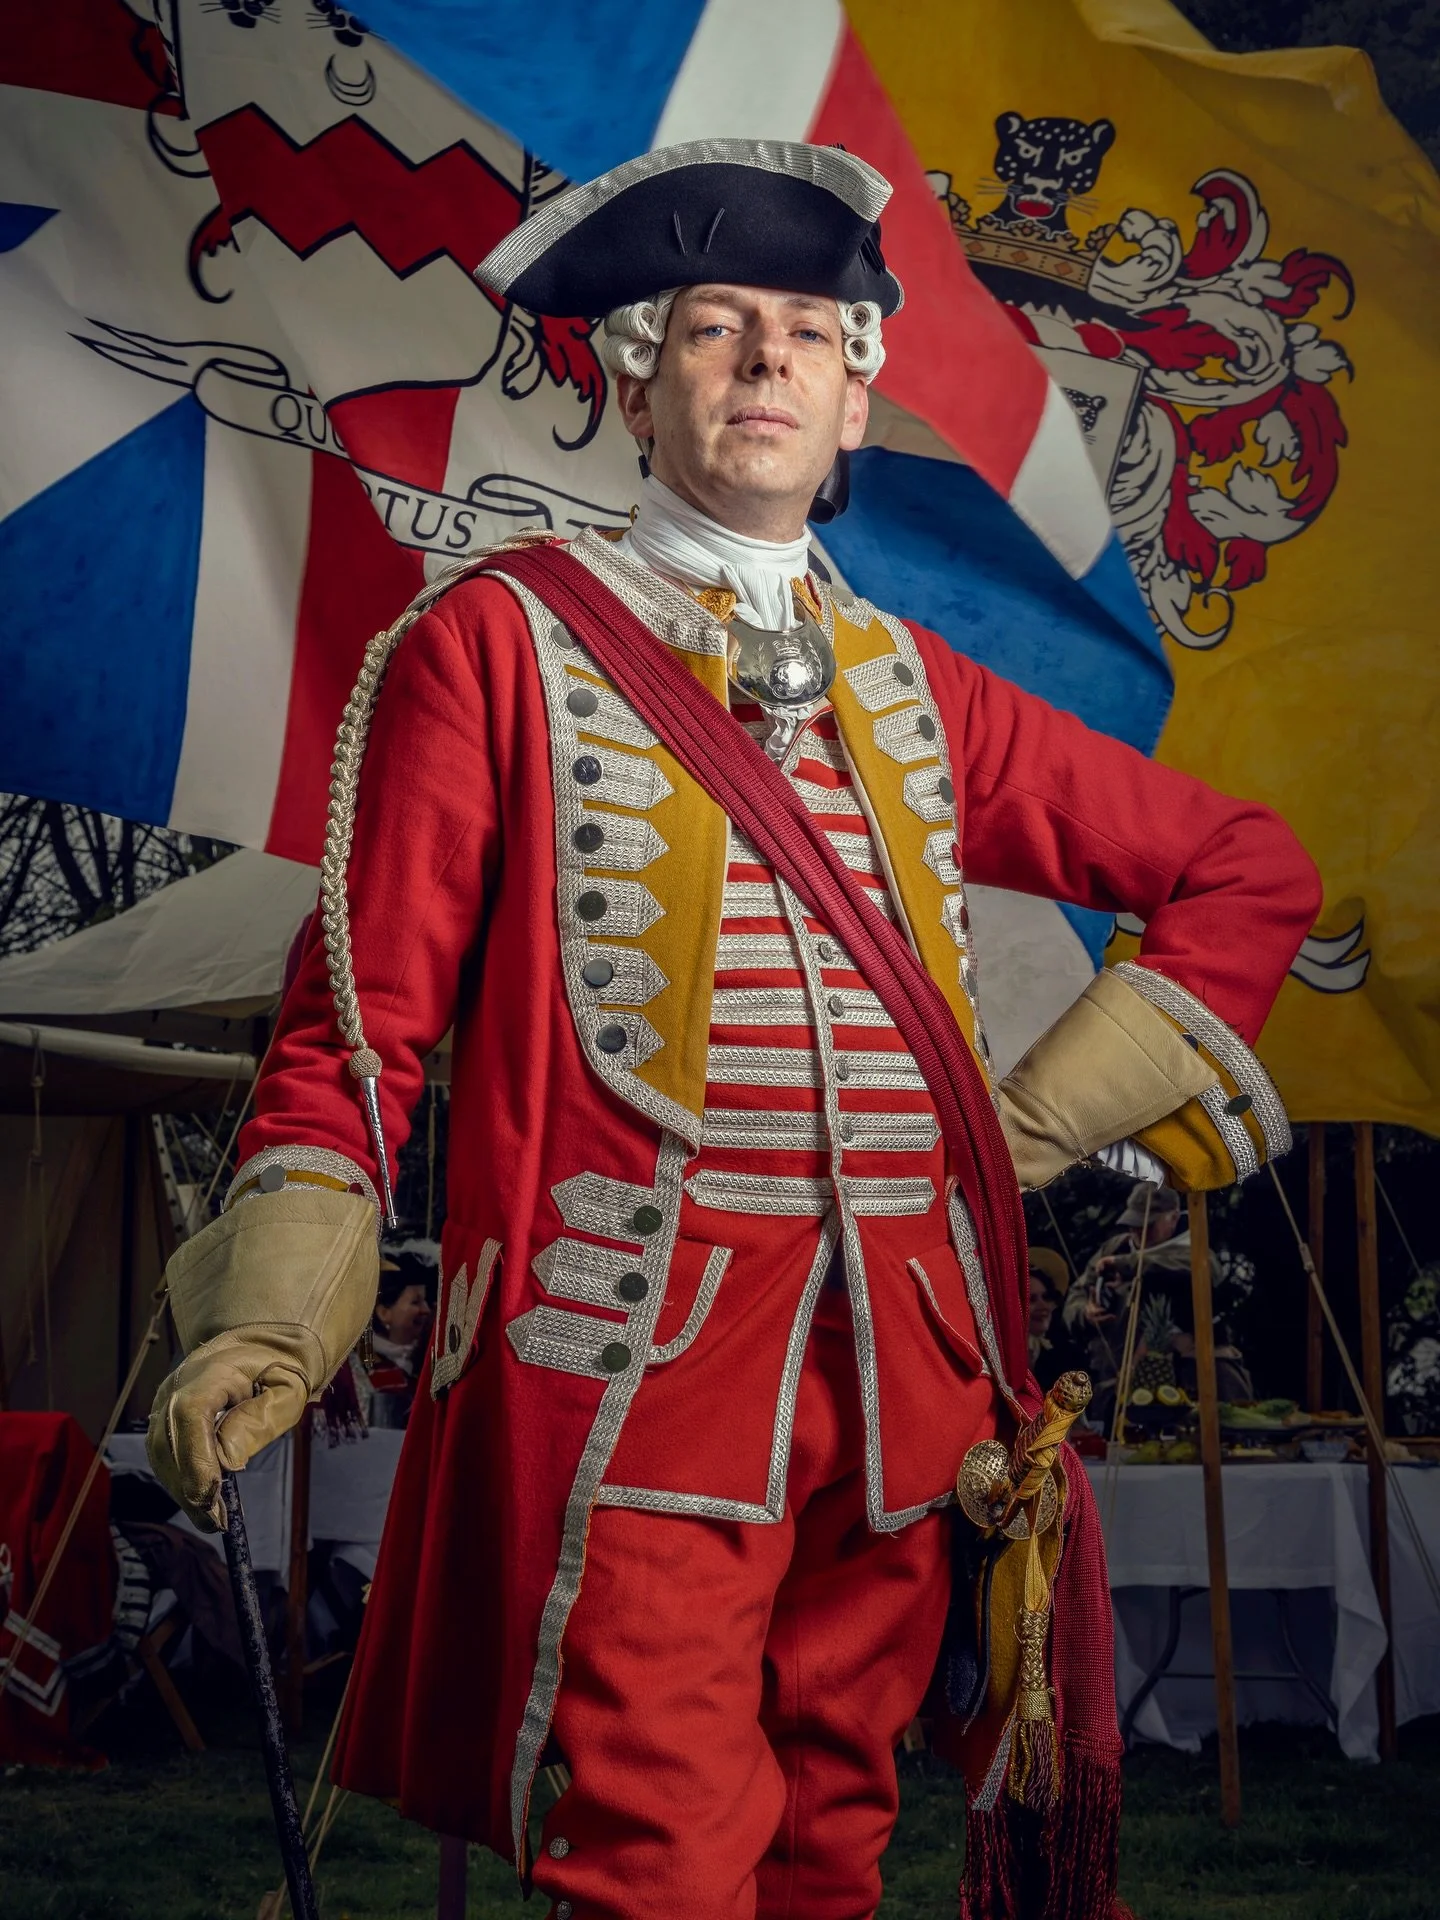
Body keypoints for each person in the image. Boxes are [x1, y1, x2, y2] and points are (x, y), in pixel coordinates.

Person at [146, 140, 1320, 1920]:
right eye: (714, 326)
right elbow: (360, 1024)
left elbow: (1242, 868)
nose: (765, 360)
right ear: (637, 377)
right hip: (639, 1375)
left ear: (859, 400)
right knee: (662, 1865)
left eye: (807, 332)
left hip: (907, 1390)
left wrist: (1018, 1137)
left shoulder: (914, 689)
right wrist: (274, 1306)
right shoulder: (495, 646)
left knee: (828, 1854)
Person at [1066, 1183, 1253, 1428]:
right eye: (1133, 1224)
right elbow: (1076, 1295)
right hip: (1119, 1372)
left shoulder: (1193, 1245)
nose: (1138, 1231)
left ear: (1174, 1218)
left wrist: (1128, 1263)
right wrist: (1085, 1312)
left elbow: (1201, 1267)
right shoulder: (1115, 1247)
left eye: (1148, 1225)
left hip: (1190, 1373)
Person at [1026, 1245, 1080, 1392]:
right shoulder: (1002, 1353)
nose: (1043, 1306)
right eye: (1032, 1299)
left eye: (1047, 1297)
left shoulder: (1063, 1354)